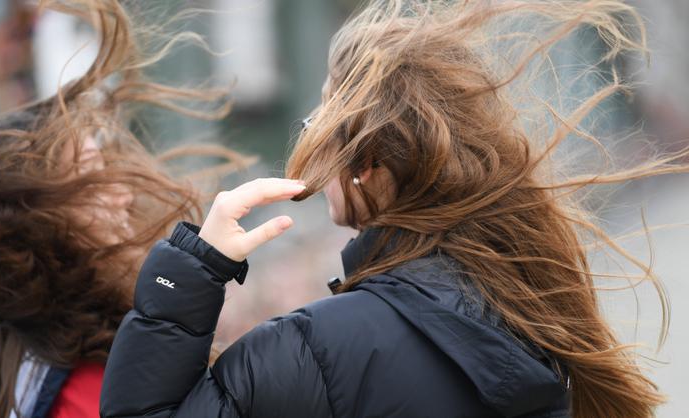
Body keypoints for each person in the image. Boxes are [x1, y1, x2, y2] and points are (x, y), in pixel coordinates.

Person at [100, 1, 684, 417]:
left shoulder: (319, 347)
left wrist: (192, 268)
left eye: (321, 121)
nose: (311, 141)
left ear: (371, 162)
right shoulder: (521, 293)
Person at [0, 1, 237, 417]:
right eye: (91, 184)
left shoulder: (10, 373)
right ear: (38, 239)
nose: (123, 196)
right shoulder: (95, 395)